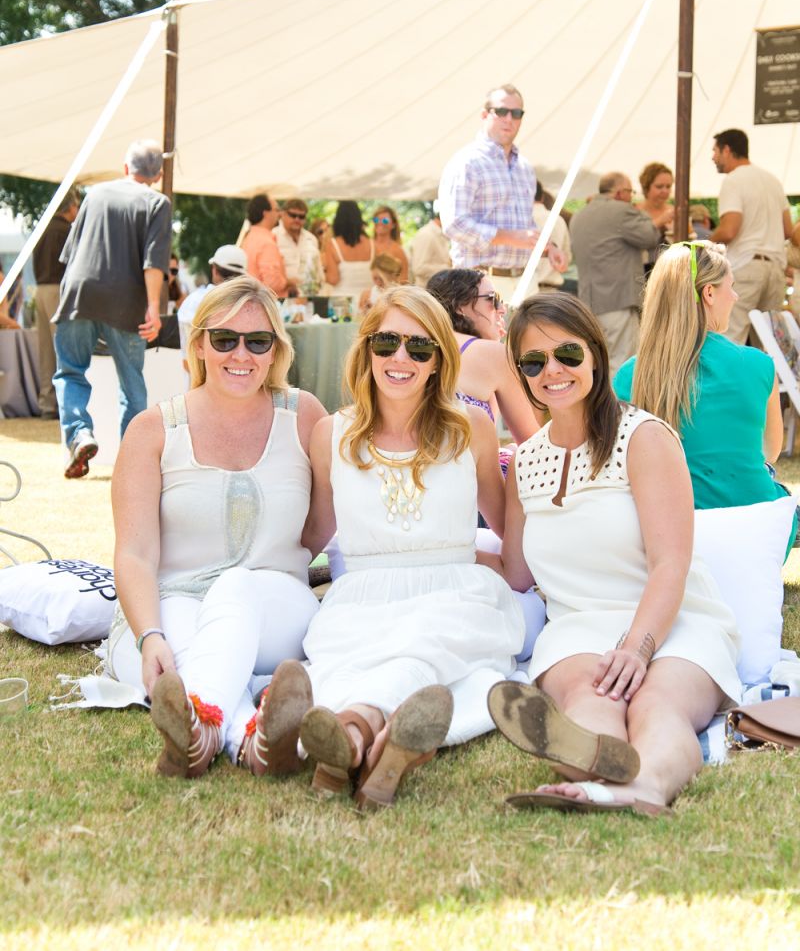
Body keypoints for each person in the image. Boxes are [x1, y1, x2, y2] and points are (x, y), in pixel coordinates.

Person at [267, 286, 524, 810]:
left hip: (455, 590)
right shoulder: (330, 434)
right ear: (365, 351)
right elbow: (313, 533)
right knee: (350, 663)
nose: (400, 358)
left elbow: (505, 535)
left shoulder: (471, 427)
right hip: (361, 594)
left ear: (439, 361)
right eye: (386, 343)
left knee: (422, 644)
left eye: (419, 348)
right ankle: (372, 743)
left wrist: (522, 478)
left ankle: (351, 735)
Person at [486, 293, 740, 815]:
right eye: (533, 362)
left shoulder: (643, 437)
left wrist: (638, 649)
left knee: (656, 703)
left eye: (567, 355)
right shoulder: (526, 461)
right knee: (590, 700)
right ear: (521, 374)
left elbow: (671, 564)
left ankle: (644, 787)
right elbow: (515, 571)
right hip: (578, 627)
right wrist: (431, 557)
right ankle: (594, 769)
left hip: (672, 619)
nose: (551, 371)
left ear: (596, 356)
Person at [110, 275, 326, 778]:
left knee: (234, 589)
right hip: (173, 600)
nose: (241, 354)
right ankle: (247, 740)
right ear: (200, 345)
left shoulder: (304, 416)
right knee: (181, 657)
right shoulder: (153, 430)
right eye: (225, 339)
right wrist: (149, 636)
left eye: (258, 341)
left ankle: (199, 730)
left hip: (276, 602)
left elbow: (321, 529)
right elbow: (134, 554)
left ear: (276, 351)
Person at [613, 241, 794, 548]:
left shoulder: (631, 375)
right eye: (731, 287)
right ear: (709, 293)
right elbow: (769, 452)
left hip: (666, 536)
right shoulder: (758, 364)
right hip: (755, 532)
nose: (735, 297)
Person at [53, 139, 172, 479]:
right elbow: (154, 262)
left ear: (125, 168)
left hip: (79, 295)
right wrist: (152, 308)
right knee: (130, 382)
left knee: (70, 372)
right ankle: (131, 461)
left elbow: (70, 255)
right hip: (126, 302)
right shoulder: (157, 203)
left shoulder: (96, 194)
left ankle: (79, 434)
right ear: (159, 174)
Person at [438, 83, 566, 304]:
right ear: (485, 114)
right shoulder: (466, 162)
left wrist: (549, 248)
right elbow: (454, 224)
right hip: (477, 282)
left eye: (516, 113)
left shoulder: (524, 168)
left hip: (525, 282)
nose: (509, 118)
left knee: (525, 341)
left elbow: (523, 227)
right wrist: (509, 237)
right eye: (501, 111)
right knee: (483, 341)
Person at [426, 268, 540, 444]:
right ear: (459, 306)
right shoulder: (491, 353)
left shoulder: (417, 345)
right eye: (492, 299)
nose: (501, 309)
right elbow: (531, 443)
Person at [569, 172, 664, 375]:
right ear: (620, 193)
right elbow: (649, 237)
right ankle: (619, 408)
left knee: (598, 366)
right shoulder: (621, 211)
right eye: (631, 192)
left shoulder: (580, 215)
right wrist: (652, 218)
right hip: (618, 299)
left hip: (589, 301)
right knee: (623, 364)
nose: (632, 197)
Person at [709, 129, 792, 345]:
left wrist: (704, 244)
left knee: (730, 336)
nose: (712, 157)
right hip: (775, 269)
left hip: (746, 267)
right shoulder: (773, 180)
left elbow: (729, 230)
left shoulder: (734, 180)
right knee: (771, 345)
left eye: (715, 151)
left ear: (727, 150)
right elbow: (788, 231)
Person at [32, 189, 79, 419]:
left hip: (39, 290)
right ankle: (65, 404)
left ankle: (47, 404)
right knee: (64, 348)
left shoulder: (41, 229)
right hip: (58, 291)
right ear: (69, 208)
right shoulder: (66, 230)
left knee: (45, 351)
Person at [176, 244, 248, 367]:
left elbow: (189, 361)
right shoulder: (253, 305)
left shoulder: (193, 301)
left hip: (200, 381)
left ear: (214, 269)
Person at [322, 201, 374, 303]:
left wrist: (321, 272)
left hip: (342, 304)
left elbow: (333, 279)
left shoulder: (332, 244)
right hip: (369, 303)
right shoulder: (372, 244)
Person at [240, 194, 290, 298]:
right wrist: (288, 283)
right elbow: (273, 284)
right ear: (265, 213)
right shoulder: (266, 242)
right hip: (266, 302)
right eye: (276, 210)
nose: (279, 214)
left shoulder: (248, 238)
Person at [274, 198, 323, 296]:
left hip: (309, 294)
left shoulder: (311, 239)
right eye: (293, 215)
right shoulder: (273, 236)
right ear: (283, 214)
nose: (297, 219)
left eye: (301, 216)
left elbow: (317, 268)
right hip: (281, 295)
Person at [533, 182, 571, 293]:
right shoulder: (559, 219)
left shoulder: (519, 219)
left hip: (522, 289)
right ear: (542, 196)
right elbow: (566, 258)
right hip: (551, 291)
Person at [408, 207, 451, 288]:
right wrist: (448, 269)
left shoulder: (439, 234)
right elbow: (419, 268)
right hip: (426, 292)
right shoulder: (427, 235)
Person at [372, 205, 409, 282]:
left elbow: (404, 279)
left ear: (393, 225)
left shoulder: (398, 250)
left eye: (385, 220)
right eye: (376, 220)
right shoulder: (368, 245)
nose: (380, 223)